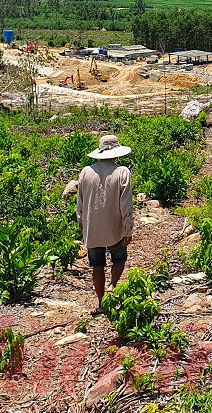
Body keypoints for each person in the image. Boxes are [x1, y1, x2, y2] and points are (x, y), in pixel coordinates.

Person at [76, 134, 134, 313]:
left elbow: (80, 204)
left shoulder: (86, 172)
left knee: (97, 265)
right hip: (114, 228)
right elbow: (126, 204)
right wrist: (128, 229)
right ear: (116, 152)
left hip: (92, 228)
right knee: (119, 259)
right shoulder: (122, 172)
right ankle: (112, 285)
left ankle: (101, 304)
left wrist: (82, 226)